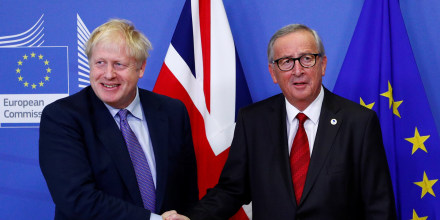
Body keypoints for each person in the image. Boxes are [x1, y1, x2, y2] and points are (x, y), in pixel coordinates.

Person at [165, 24, 396, 219]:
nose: (298, 70)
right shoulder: (253, 121)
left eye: (307, 59)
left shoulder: (359, 122)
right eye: (286, 62)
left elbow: (379, 205)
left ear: (323, 65)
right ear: (273, 73)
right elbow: (231, 190)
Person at [39, 19, 198, 220]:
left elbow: (187, 191)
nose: (108, 74)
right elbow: (76, 198)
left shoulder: (172, 112)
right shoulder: (63, 117)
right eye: (100, 63)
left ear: (141, 68)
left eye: (119, 64)